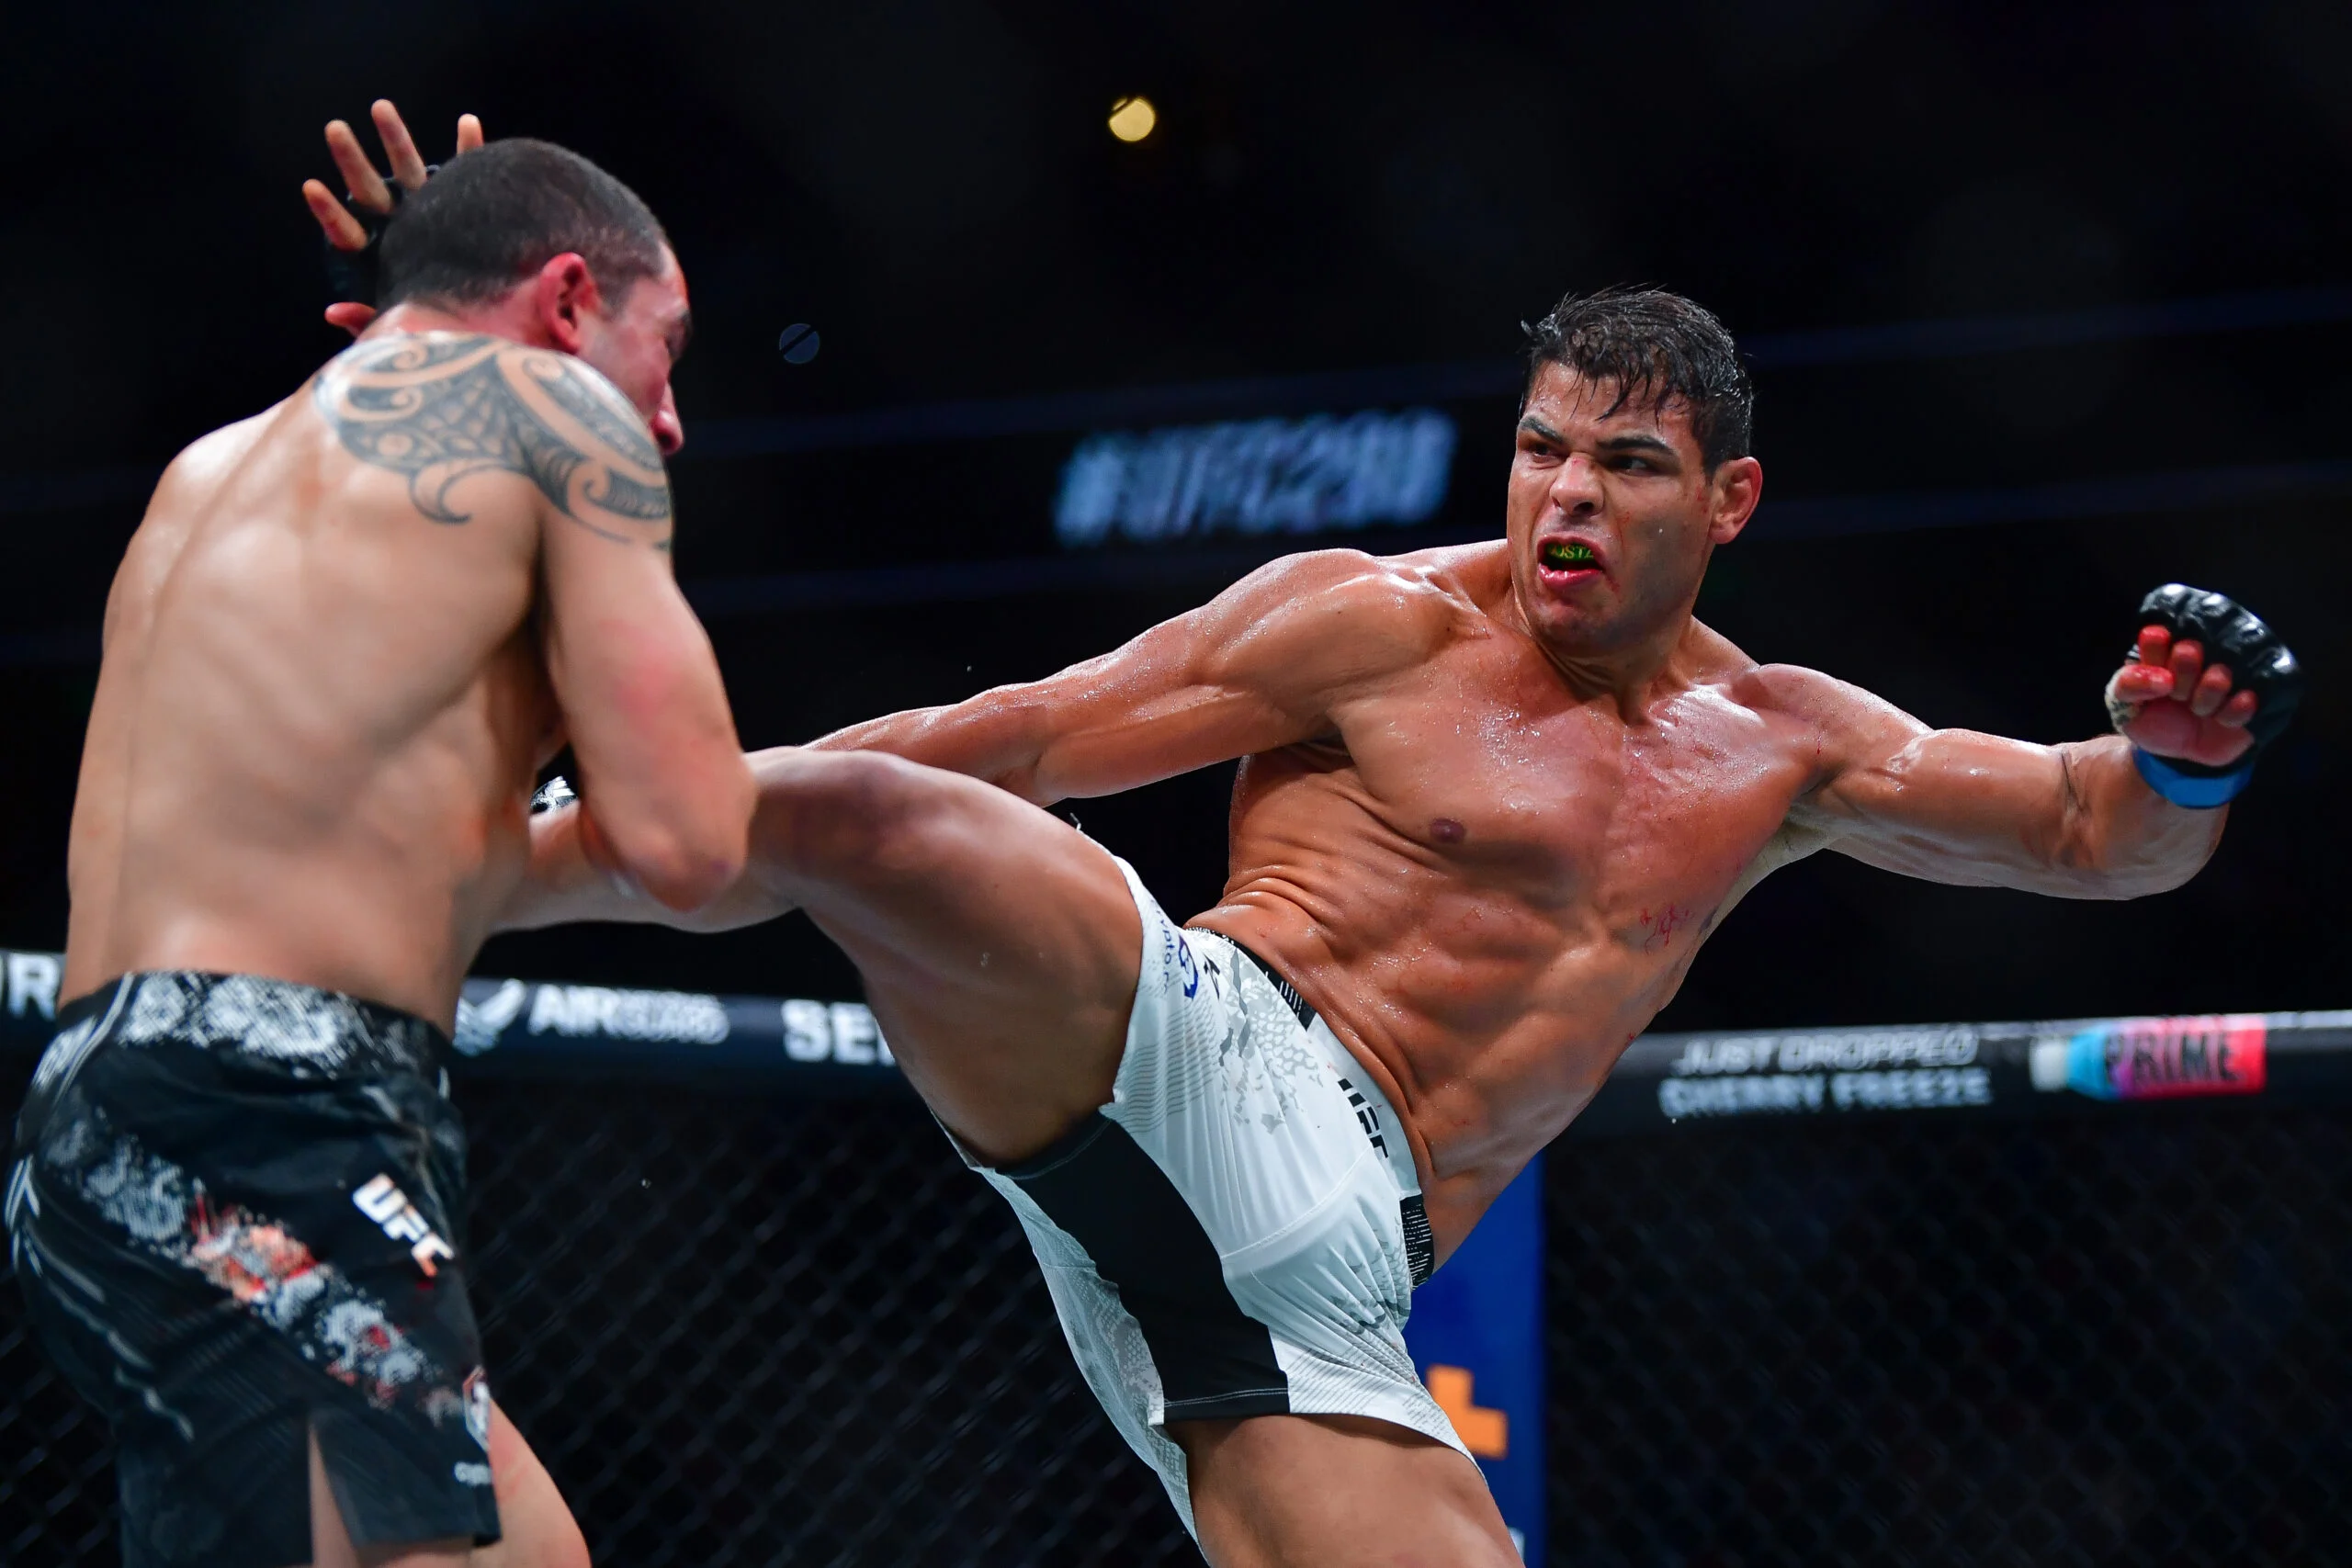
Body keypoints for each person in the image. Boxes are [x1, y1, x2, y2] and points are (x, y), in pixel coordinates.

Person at [515, 285, 2300, 1562]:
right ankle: (481, 861)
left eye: (1627, 464)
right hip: (1197, 1042)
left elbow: (2091, 834)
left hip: (1334, 1275)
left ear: (1728, 501)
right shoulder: (1375, 624)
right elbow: (1032, 731)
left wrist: (2182, 761)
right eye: (1540, 450)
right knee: (876, 814)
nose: (1566, 496)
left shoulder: (1781, 745)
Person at [7, 119, 755, 1568]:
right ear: (567, 300)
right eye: (667, 350)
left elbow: (389, 815)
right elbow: (691, 839)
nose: (668, 420)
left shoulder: (209, 469)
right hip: (283, 1109)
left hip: (94, 1129)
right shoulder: (563, 417)